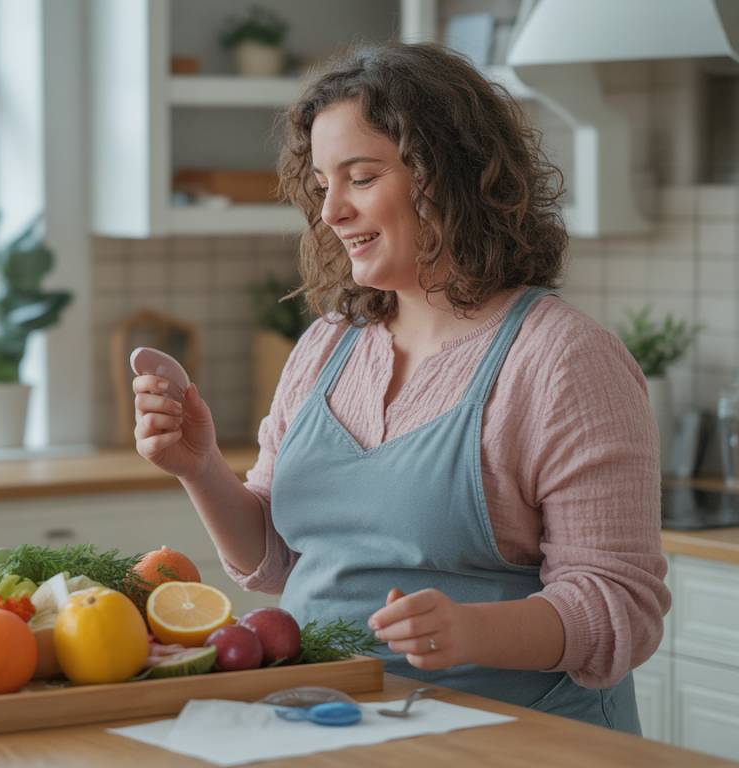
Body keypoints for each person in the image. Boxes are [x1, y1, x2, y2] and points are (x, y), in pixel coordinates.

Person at [132, 42, 669, 733]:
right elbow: (276, 562)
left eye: (359, 178)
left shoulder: (563, 360)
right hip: (326, 724)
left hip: (511, 739)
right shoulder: (330, 344)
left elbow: (620, 606)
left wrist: (473, 631)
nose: (331, 212)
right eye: (323, 184)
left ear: (447, 176)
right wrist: (199, 468)